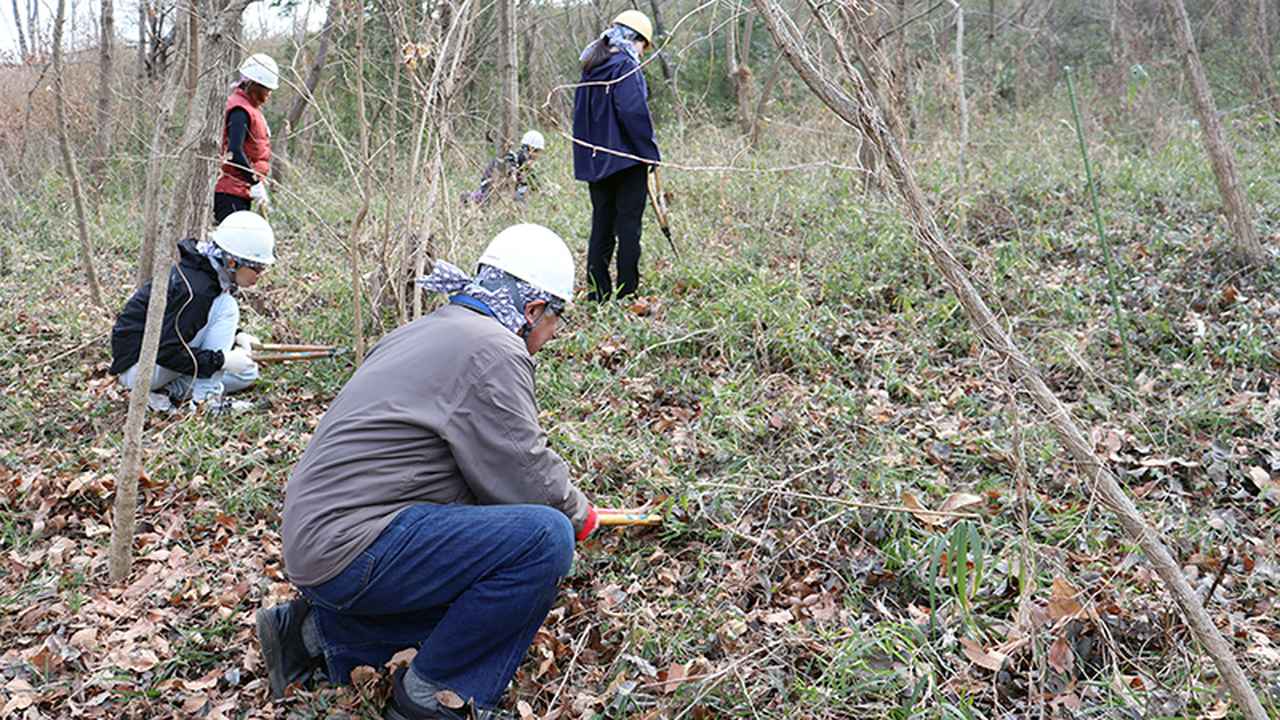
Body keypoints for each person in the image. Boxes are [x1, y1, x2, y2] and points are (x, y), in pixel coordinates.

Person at [257, 224, 601, 719]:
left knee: (485, 584)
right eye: (555, 321)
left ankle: (312, 636)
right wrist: (578, 514)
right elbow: (526, 474)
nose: (551, 337)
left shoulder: (428, 329)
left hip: (321, 542)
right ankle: (437, 696)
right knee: (543, 540)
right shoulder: (492, 349)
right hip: (356, 544)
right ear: (532, 310)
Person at [109, 211, 273, 408]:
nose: (260, 275)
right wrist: (221, 360)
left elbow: (196, 323)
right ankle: (207, 401)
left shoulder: (207, 276)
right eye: (256, 268)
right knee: (227, 306)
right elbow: (166, 351)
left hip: (155, 365)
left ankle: (169, 391)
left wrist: (238, 335)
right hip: (139, 368)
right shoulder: (197, 290)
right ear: (232, 262)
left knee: (247, 373)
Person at [572, 10, 661, 301]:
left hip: (597, 161)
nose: (642, 52)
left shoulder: (591, 65)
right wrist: (649, 153)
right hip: (627, 160)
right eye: (643, 45)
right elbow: (633, 112)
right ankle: (627, 293)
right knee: (628, 228)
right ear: (635, 39)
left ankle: (597, 293)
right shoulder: (625, 65)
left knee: (601, 226)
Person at [213, 53, 278, 224]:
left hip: (242, 190)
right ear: (254, 85)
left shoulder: (251, 108)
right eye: (266, 88)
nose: (269, 93)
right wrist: (254, 181)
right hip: (230, 192)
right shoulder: (240, 111)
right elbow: (234, 152)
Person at [464, 130, 546, 205]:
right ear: (528, 149)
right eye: (537, 152)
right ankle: (471, 198)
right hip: (491, 193)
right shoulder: (510, 158)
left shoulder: (526, 167)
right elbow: (508, 180)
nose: (537, 156)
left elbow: (536, 187)